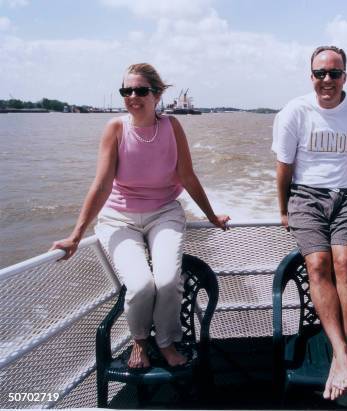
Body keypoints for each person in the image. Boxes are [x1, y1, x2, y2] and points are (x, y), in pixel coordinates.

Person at [51, 63, 230, 369]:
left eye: (140, 90)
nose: (133, 96)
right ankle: (139, 340)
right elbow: (102, 184)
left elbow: (187, 176)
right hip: (119, 217)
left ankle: (166, 341)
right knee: (140, 285)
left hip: (164, 213)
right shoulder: (116, 129)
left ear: (157, 94)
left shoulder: (172, 127)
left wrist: (212, 216)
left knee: (168, 279)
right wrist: (76, 236)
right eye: (127, 90)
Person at [272, 46, 347, 400]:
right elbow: (284, 169)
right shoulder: (295, 111)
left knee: (344, 263)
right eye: (320, 73)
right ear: (311, 77)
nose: (327, 80)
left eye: (334, 73)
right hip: (306, 196)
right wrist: (284, 210)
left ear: (344, 77)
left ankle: (340, 352)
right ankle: (341, 353)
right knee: (317, 264)